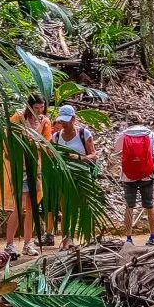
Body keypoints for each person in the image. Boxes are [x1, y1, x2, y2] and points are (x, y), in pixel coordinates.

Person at [0, 94, 52, 258]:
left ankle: (28, 243)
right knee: (19, 207)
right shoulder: (19, 117)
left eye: (42, 107)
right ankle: (10, 244)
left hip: (35, 168)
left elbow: (48, 143)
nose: (39, 111)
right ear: (29, 107)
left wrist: (39, 146)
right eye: (36, 107)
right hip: (20, 168)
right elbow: (7, 139)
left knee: (32, 208)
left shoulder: (45, 122)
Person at [50, 105, 97, 249]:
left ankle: (89, 237)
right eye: (62, 121)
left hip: (82, 176)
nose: (64, 123)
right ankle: (67, 239)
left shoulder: (84, 134)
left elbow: (93, 155)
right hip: (64, 175)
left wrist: (78, 157)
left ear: (73, 119)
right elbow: (51, 154)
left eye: (66, 120)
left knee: (85, 206)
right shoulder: (56, 137)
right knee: (65, 208)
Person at [116, 125, 154, 246]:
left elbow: (116, 148)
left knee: (129, 206)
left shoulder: (124, 134)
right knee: (149, 205)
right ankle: (152, 237)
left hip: (128, 176)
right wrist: (150, 169)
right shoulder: (150, 134)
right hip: (147, 176)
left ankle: (129, 239)